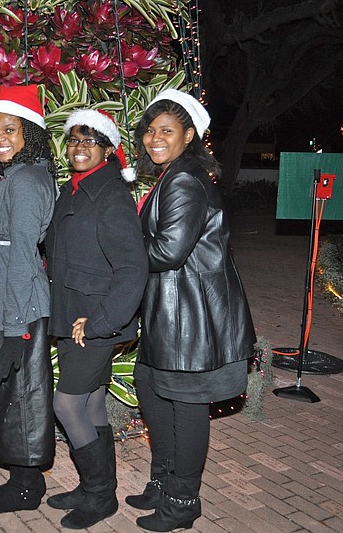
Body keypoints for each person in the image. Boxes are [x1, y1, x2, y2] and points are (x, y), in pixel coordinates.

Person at [131, 89, 256, 532]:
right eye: (149, 129)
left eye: (166, 130)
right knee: (150, 391)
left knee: (185, 406)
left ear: (189, 136)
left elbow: (168, 250)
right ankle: (163, 480)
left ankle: (183, 501)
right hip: (170, 310)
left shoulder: (185, 179)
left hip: (191, 316)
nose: (153, 137)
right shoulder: (173, 176)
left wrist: (116, 247)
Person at [44, 108, 147, 529]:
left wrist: (103, 321)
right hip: (72, 315)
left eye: (89, 140)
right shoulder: (72, 190)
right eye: (73, 140)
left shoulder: (109, 194)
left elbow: (132, 268)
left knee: (66, 403)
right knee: (91, 402)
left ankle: (101, 494)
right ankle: (93, 488)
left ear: (108, 149)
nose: (79, 148)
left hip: (96, 320)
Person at [0, 85, 57, 514]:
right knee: (4, 395)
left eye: (11, 130)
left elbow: (23, 255)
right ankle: (20, 480)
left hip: (16, 305)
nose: (0, 138)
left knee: (20, 397)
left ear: (31, 134)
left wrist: (17, 328)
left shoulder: (27, 180)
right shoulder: (12, 175)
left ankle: (26, 488)